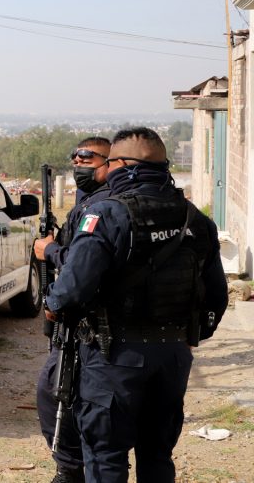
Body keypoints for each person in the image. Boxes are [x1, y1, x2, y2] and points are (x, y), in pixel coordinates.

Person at [44, 127, 228, 483]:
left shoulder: (106, 214)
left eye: (111, 163)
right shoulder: (195, 218)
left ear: (124, 165)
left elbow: (71, 290)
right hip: (173, 356)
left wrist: (53, 303)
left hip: (114, 356)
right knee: (157, 455)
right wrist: (185, 337)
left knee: (105, 458)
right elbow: (216, 296)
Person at [31, 137, 111, 483]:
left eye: (87, 159)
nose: (78, 165)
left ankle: (70, 468)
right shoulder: (87, 200)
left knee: (57, 391)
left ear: (110, 162)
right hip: (80, 319)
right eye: (75, 160)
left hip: (88, 322)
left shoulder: (105, 206)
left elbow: (82, 267)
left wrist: (49, 252)